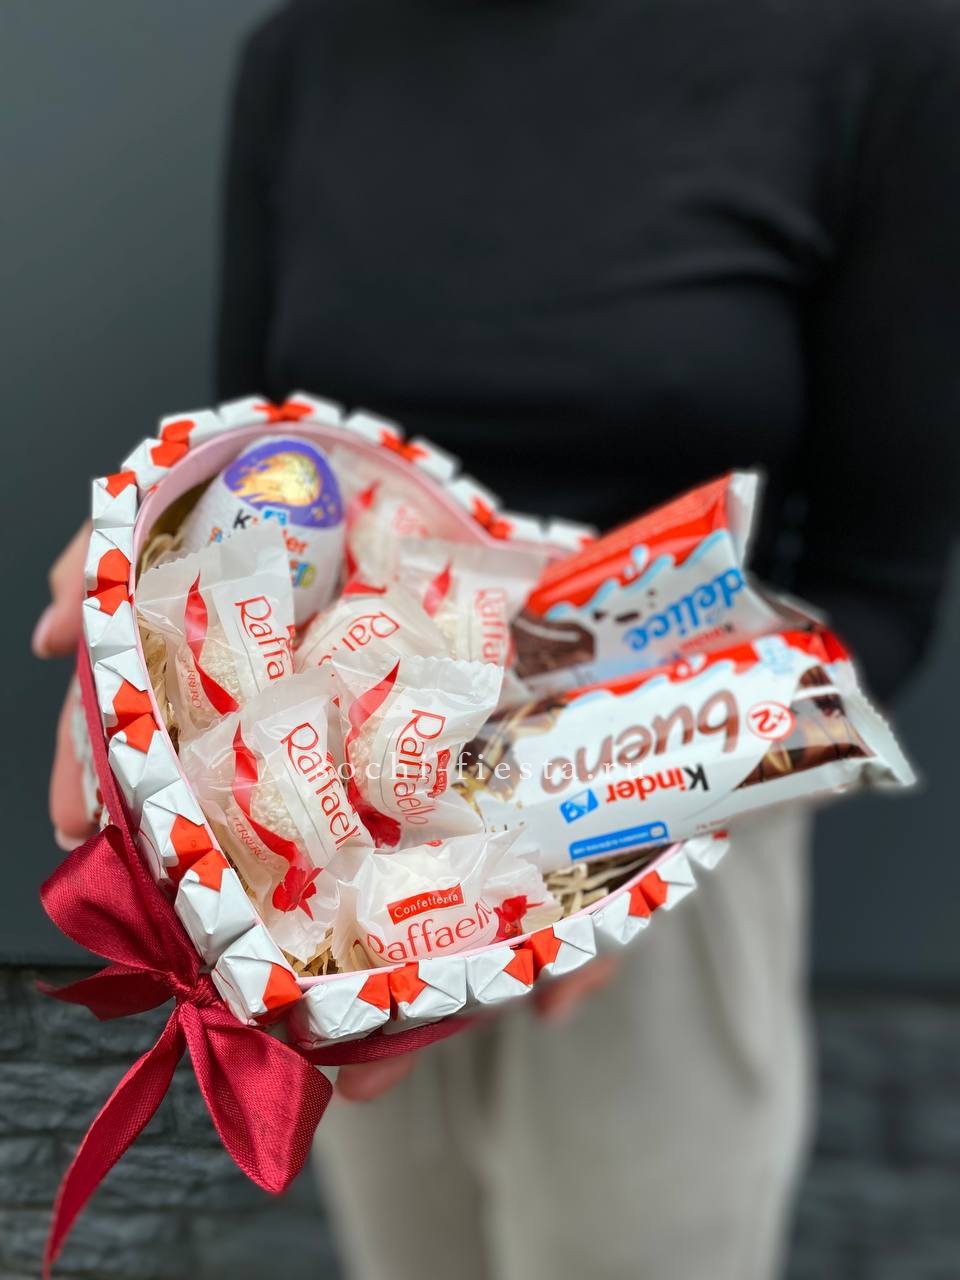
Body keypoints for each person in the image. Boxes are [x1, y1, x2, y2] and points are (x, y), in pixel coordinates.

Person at [35, 0, 960, 1276]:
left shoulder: (876, 50)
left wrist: (599, 813)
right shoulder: (309, 54)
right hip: (338, 845)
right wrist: (155, 605)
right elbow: (271, 466)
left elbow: (877, 588)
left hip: (669, 843)